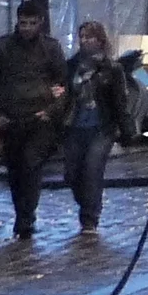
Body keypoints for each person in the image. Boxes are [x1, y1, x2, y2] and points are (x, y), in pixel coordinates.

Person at [0, 0, 69, 238]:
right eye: (23, 23)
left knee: (31, 165)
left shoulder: (51, 49)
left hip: (39, 118)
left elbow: (63, 84)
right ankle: (22, 213)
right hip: (10, 118)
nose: (26, 28)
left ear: (40, 23)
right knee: (15, 170)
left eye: (31, 23)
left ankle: (26, 218)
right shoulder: (2, 47)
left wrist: (52, 111)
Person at [60, 22, 134, 232]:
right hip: (75, 125)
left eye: (89, 37)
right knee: (73, 173)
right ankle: (87, 203)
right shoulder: (72, 66)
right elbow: (65, 95)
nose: (84, 41)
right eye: (82, 36)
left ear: (100, 40)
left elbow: (119, 101)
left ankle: (90, 217)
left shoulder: (112, 68)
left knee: (92, 168)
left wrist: (126, 129)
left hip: (101, 126)